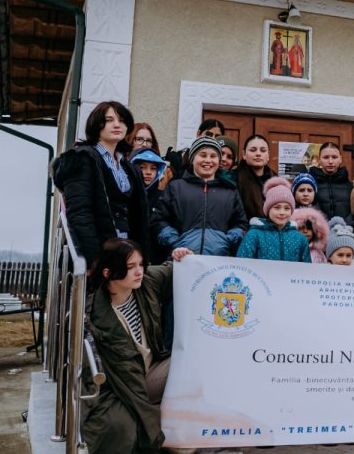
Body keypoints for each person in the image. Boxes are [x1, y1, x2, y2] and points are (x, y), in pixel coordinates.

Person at [81, 238, 193, 453]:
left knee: (194, 357)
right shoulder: (95, 314)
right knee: (120, 426)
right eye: (130, 267)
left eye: (140, 264)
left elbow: (180, 269)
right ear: (107, 272)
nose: (139, 271)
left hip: (151, 372)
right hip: (124, 384)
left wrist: (183, 255)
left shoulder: (146, 283)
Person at [53, 101, 151, 266]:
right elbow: (79, 213)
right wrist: (93, 260)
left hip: (127, 250)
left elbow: (139, 216)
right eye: (109, 120)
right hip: (99, 250)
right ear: (96, 124)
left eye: (121, 120)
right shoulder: (83, 158)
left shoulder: (130, 168)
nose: (116, 124)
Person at [152, 136, 248, 257]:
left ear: (218, 162)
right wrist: (175, 243)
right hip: (181, 259)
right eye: (203, 155)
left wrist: (227, 241)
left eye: (213, 156)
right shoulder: (175, 187)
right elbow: (159, 220)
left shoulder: (230, 191)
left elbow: (241, 223)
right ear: (192, 159)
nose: (208, 160)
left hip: (219, 262)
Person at [237, 178, 310, 262]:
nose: (282, 212)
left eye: (287, 208)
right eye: (277, 207)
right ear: (268, 210)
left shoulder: (300, 238)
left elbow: (306, 270)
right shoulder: (254, 235)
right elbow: (243, 266)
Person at [308, 142, 354, 221]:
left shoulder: (350, 186)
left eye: (334, 157)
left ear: (340, 159)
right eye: (326, 157)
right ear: (319, 160)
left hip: (345, 231)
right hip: (318, 230)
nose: (330, 161)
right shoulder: (310, 184)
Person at [235, 134, 274, 222]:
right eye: (253, 150)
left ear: (268, 155)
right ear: (244, 154)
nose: (258, 154)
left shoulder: (276, 180)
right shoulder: (234, 178)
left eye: (263, 150)